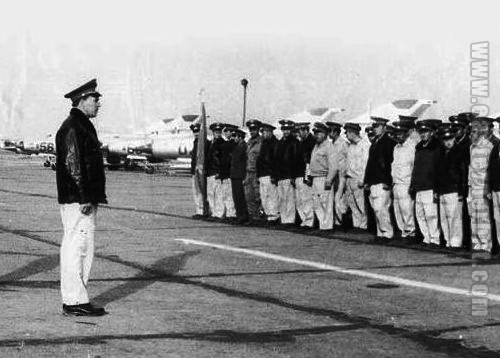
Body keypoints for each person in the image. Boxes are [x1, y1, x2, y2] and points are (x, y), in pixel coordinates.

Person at [56, 79, 107, 316]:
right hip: (79, 199)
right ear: (82, 99)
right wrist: (84, 196)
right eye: (95, 99)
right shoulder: (74, 126)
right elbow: (73, 164)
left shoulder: (81, 124)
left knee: (81, 247)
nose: (98, 104)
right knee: (77, 247)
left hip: (82, 197)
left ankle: (78, 298)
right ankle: (75, 301)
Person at [410, 119, 442, 247]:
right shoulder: (419, 147)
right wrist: (413, 184)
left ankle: (435, 238)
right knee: (420, 214)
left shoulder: (436, 147)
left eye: (426, 131)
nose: (423, 134)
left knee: (431, 214)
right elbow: (416, 168)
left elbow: (438, 168)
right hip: (419, 185)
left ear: (432, 132)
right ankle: (426, 237)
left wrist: (436, 188)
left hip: (430, 185)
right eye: (421, 132)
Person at [364, 116, 396, 241]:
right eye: (374, 126)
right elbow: (370, 164)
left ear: (384, 127)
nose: (375, 129)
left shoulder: (389, 143)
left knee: (381, 208)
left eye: (377, 126)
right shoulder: (374, 144)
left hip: (383, 181)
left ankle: (387, 233)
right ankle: (380, 233)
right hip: (374, 181)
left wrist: (388, 181)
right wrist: (367, 180)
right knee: (376, 208)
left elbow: (391, 164)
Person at [436, 126, 467, 248]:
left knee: (454, 217)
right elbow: (438, 173)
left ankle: (455, 242)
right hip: (443, 189)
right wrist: (437, 190)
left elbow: (462, 172)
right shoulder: (442, 153)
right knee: (444, 217)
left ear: (454, 138)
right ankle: (448, 240)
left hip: (454, 189)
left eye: (450, 139)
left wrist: (461, 191)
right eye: (445, 139)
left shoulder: (458, 152)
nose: (448, 142)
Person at [468, 116, 494, 256]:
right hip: (473, 187)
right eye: (471, 132)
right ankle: (476, 242)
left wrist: (487, 188)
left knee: (483, 218)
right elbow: (471, 168)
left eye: (474, 132)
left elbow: (489, 169)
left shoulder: (488, 147)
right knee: (474, 217)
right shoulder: (472, 147)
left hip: (483, 186)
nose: (472, 134)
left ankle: (485, 244)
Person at [391, 121, 417, 242]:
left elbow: (414, 166)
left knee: (407, 209)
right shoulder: (396, 148)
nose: (397, 136)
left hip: (406, 182)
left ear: (406, 133)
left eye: (400, 133)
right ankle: (403, 232)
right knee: (398, 209)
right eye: (396, 133)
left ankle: (410, 232)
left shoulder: (412, 146)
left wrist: (412, 184)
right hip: (396, 182)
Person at [309, 122, 337, 230]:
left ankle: (327, 227)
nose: (316, 135)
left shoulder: (329, 146)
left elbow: (333, 165)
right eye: (315, 133)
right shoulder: (316, 146)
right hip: (315, 177)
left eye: (319, 133)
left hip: (324, 177)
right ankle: (322, 225)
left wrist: (329, 179)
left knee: (326, 203)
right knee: (317, 203)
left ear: (325, 134)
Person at [343, 122, 370, 230]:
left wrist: (362, 179)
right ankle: (357, 224)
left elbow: (365, 164)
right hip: (349, 177)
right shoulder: (350, 146)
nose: (347, 135)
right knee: (352, 203)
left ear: (353, 133)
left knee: (361, 203)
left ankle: (364, 225)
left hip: (358, 178)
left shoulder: (364, 145)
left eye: (348, 133)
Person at [274, 120, 299, 225]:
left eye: (288, 129)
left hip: (289, 175)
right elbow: (276, 159)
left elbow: (296, 160)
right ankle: (284, 219)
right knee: (282, 199)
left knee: (289, 199)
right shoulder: (280, 143)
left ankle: (290, 220)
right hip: (280, 175)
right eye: (284, 129)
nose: (286, 132)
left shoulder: (295, 143)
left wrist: (293, 176)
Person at [256, 123, 280, 222]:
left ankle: (274, 215)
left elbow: (276, 161)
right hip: (262, 173)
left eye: (266, 132)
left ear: (271, 132)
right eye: (263, 132)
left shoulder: (275, 144)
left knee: (272, 196)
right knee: (264, 195)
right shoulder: (264, 143)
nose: (264, 134)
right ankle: (268, 215)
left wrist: (274, 175)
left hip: (269, 173)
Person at [326, 121, 348, 226]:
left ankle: (343, 220)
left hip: (341, 174)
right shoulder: (331, 144)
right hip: (333, 174)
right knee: (333, 199)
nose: (329, 133)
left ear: (336, 132)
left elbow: (347, 159)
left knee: (338, 199)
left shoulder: (343, 144)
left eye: (330, 131)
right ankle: (337, 221)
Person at [295, 122, 316, 228]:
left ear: (306, 130)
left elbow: (309, 161)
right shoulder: (302, 143)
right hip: (299, 174)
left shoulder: (311, 142)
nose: (300, 133)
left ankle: (309, 221)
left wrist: (307, 176)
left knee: (306, 199)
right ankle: (304, 220)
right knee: (299, 200)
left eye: (301, 131)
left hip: (305, 174)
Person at [244, 120, 263, 221]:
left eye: (254, 130)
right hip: (248, 172)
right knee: (248, 196)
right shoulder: (249, 142)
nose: (252, 132)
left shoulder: (261, 142)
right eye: (251, 130)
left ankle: (258, 217)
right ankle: (252, 217)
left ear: (258, 130)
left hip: (256, 173)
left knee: (257, 196)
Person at [190, 122, 210, 218]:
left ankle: (204, 211)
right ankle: (199, 211)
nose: (196, 133)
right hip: (195, 171)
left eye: (198, 131)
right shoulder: (195, 142)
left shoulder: (205, 143)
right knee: (196, 192)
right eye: (194, 132)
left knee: (202, 192)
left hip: (201, 172)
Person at [230, 128, 249, 223]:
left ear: (240, 137)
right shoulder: (237, 147)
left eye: (236, 136)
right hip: (235, 175)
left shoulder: (243, 147)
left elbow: (243, 163)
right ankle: (239, 215)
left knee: (240, 196)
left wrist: (243, 175)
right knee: (236, 196)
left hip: (240, 175)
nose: (234, 138)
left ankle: (243, 216)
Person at [219, 124, 238, 220]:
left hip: (230, 173)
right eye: (226, 131)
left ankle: (232, 214)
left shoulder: (233, 145)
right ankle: (229, 213)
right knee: (226, 194)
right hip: (225, 174)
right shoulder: (225, 145)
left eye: (229, 132)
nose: (227, 133)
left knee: (230, 195)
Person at [206, 122, 225, 218]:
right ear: (213, 133)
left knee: (218, 194)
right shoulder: (211, 143)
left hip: (217, 172)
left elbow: (223, 160)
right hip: (210, 172)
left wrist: (220, 172)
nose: (217, 134)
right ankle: (213, 212)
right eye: (215, 132)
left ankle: (219, 213)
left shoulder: (222, 144)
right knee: (210, 193)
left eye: (219, 132)